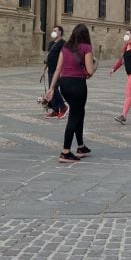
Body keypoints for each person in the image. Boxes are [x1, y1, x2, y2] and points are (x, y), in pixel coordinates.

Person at [46, 23, 97, 163]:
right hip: (77, 84)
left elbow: (57, 69)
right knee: (75, 115)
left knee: (79, 112)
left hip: (64, 84)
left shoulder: (65, 47)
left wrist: (51, 88)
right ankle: (65, 152)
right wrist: (96, 63)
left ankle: (80, 146)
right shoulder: (86, 47)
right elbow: (90, 71)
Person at [39, 25, 69, 119]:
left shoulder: (63, 43)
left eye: (55, 30)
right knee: (50, 90)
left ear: (60, 32)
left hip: (58, 70)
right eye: (53, 30)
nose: (53, 32)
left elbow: (66, 57)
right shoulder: (51, 43)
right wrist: (44, 70)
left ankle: (63, 107)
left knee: (54, 89)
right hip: (50, 70)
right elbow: (49, 58)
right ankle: (55, 110)